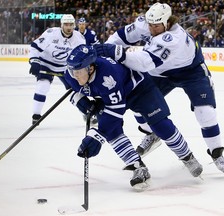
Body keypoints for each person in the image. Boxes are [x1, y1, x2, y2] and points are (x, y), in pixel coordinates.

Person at [94, 2, 224, 175]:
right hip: (159, 71)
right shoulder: (145, 23)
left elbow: (144, 63)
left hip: (191, 71)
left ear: (167, 23)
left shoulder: (173, 38)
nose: (152, 29)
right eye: (150, 25)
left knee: (206, 112)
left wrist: (113, 52)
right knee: (138, 101)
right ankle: (152, 134)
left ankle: (217, 154)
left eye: (157, 26)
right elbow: (121, 36)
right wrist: (100, 54)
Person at [65, 44, 203, 191]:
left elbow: (115, 112)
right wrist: (79, 99)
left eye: (78, 72)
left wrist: (97, 136)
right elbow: (69, 84)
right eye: (73, 72)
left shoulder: (107, 76)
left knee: (160, 125)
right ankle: (138, 167)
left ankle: (188, 157)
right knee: (113, 132)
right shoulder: (72, 72)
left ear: (90, 68)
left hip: (139, 89)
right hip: (110, 96)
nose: (75, 75)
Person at [28, 14, 85, 125]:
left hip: (65, 66)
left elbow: (82, 55)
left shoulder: (79, 38)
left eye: (71, 25)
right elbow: (35, 46)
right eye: (66, 24)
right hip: (46, 64)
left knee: (76, 89)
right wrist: (34, 61)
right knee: (42, 86)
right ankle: (36, 115)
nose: (69, 27)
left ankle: (86, 112)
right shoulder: (51, 33)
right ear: (61, 25)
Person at [75, 17, 100, 125]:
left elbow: (97, 47)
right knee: (77, 89)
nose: (81, 26)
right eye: (80, 24)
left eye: (83, 24)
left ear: (85, 25)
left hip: (90, 63)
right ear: (78, 24)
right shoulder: (74, 34)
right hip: (78, 64)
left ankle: (98, 108)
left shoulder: (91, 34)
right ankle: (85, 112)